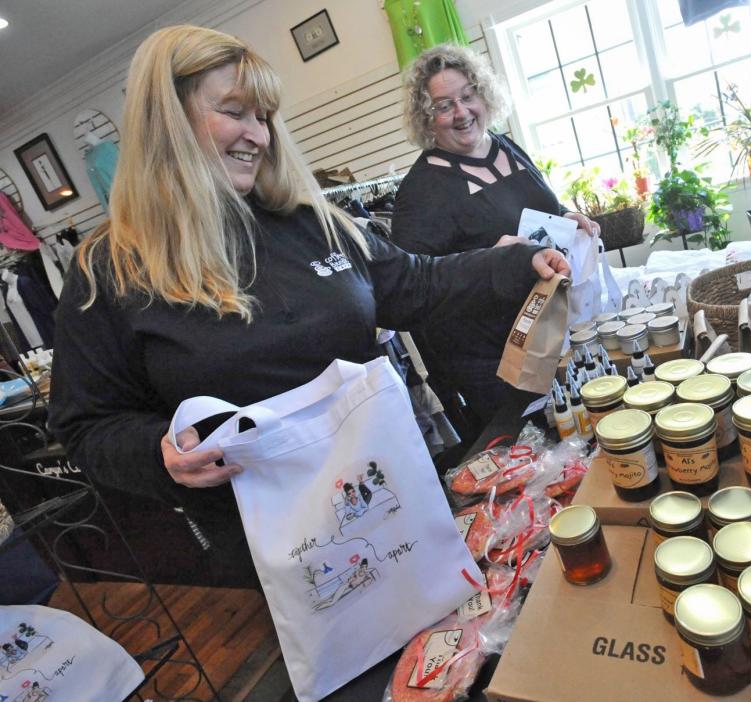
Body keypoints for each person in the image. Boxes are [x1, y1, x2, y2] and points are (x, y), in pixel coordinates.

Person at [47, 26, 568, 586]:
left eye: (265, 116)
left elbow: (414, 285)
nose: (259, 136)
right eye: (235, 112)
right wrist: (159, 454)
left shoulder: (311, 224)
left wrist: (512, 263)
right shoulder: (109, 269)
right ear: (167, 119)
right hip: (279, 553)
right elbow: (87, 426)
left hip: (395, 497)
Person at [392, 44, 598, 424]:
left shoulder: (506, 146)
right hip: (496, 363)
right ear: (426, 117)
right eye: (443, 105)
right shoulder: (421, 192)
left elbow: (536, 209)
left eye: (468, 95)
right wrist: (491, 259)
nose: (461, 112)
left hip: (552, 333)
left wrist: (566, 216)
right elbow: (409, 291)